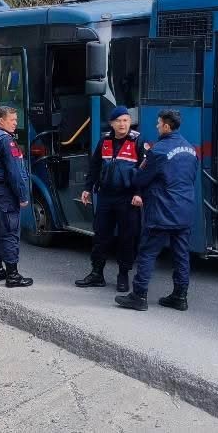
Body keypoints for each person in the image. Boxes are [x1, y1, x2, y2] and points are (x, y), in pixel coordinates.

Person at [116, 109, 199, 312]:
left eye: (158, 123)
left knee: (147, 253)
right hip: (185, 210)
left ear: (166, 126)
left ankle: (139, 296)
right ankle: (180, 296)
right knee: (181, 255)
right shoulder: (190, 149)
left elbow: (141, 178)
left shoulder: (159, 150)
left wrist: (131, 173)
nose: (156, 126)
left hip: (162, 211)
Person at [76, 106, 148, 293]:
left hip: (128, 198)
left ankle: (123, 275)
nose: (122, 124)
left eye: (125, 120)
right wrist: (87, 188)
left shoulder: (138, 142)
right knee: (100, 235)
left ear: (129, 122)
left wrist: (139, 193)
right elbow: (94, 166)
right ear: (112, 123)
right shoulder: (105, 141)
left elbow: (145, 171)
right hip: (106, 196)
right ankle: (97, 273)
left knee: (127, 237)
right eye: (119, 121)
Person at [0, 106, 33, 288]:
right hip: (6, 193)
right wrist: (22, 195)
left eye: (16, 120)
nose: (15, 123)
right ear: (1, 120)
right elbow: (15, 173)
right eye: (12, 120)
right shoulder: (6, 141)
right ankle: (13, 276)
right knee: (10, 232)